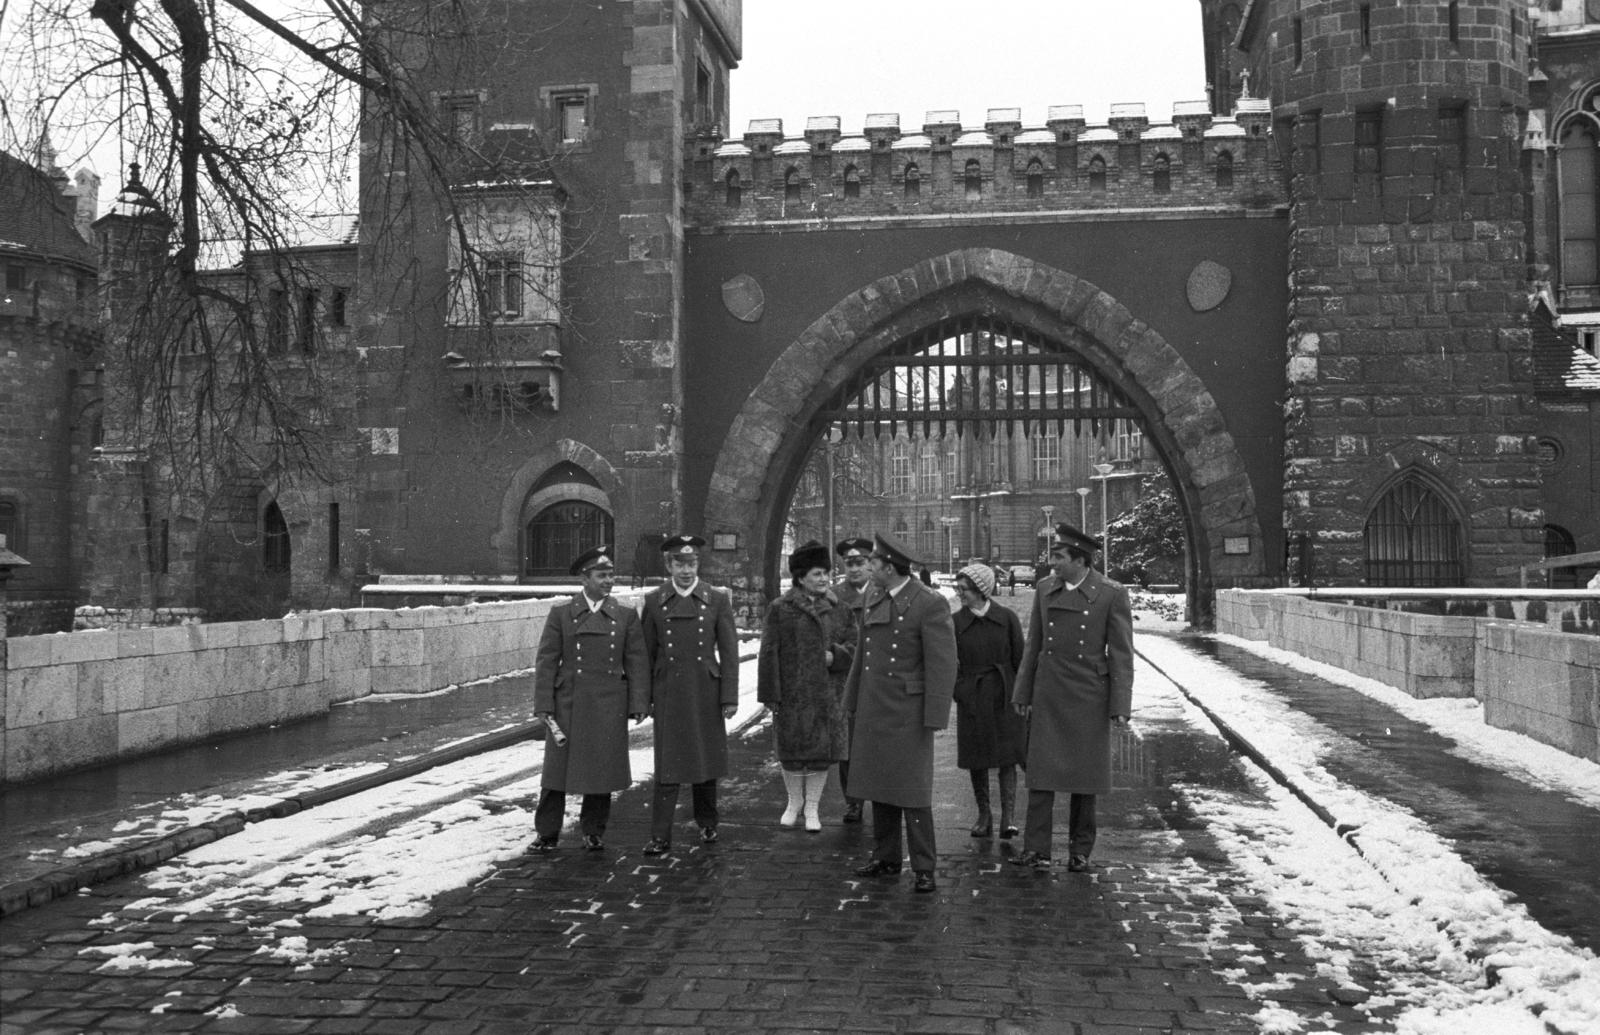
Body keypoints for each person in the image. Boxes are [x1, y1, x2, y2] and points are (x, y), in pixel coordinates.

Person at [1010, 523, 1133, 873]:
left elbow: (1122, 655)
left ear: (1079, 561)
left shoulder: (1111, 593)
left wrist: (1120, 705)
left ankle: (1080, 851)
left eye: (1058, 556)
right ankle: (1037, 849)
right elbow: (1033, 644)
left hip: (1089, 695)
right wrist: (1023, 691)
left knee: (1085, 779)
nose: (1051, 562)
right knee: (1040, 775)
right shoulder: (1045, 588)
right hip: (1049, 692)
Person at [844, 532, 957, 894]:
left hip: (909, 710)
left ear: (889, 568)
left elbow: (943, 663)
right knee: (879, 783)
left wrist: (936, 715)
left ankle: (924, 867)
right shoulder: (874, 596)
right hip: (875, 705)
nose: (868, 568)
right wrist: (851, 701)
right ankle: (886, 856)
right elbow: (862, 654)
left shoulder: (929, 603)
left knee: (913, 792)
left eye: (873, 563)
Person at [530, 545, 650, 852]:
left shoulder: (625, 616)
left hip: (609, 702)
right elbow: (546, 661)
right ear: (585, 579)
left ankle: (594, 830)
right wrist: (543, 704)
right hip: (568, 701)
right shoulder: (561, 614)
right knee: (556, 772)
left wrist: (638, 703)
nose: (608, 581)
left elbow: (637, 661)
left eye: (610, 575)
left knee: (602, 769)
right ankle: (547, 832)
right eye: (601, 575)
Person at [639, 534, 740, 856]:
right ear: (669, 565)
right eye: (680, 563)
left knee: (704, 759)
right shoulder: (654, 601)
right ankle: (660, 834)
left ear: (698, 564)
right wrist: (643, 700)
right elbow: (645, 653)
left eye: (692, 563)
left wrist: (729, 697)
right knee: (668, 764)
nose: (686, 570)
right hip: (669, 690)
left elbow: (729, 650)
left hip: (705, 690)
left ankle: (708, 822)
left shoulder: (716, 598)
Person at [756, 540, 855, 831]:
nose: (824, 578)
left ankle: (812, 807)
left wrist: (835, 655)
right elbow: (768, 652)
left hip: (828, 694)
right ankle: (793, 802)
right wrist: (770, 694)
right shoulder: (780, 608)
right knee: (791, 753)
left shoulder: (841, 609)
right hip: (792, 693)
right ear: (800, 578)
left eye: (826, 572)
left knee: (820, 756)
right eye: (816, 574)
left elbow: (856, 647)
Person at [951, 563, 1027, 840]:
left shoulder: (1007, 618)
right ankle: (984, 814)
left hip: (1005, 694)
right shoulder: (955, 622)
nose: (960, 594)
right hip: (972, 695)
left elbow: (1021, 660)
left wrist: (1022, 696)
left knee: (1008, 756)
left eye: (965, 589)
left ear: (981, 590)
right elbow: (949, 664)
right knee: (976, 756)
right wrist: (960, 690)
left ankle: (1009, 817)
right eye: (957, 589)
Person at [831, 536, 873, 823]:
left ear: (871, 564)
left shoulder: (885, 591)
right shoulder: (834, 597)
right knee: (848, 744)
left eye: (860, 563)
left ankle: (881, 796)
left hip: (880, 679)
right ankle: (853, 801)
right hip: (846, 680)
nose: (855, 569)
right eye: (849, 563)